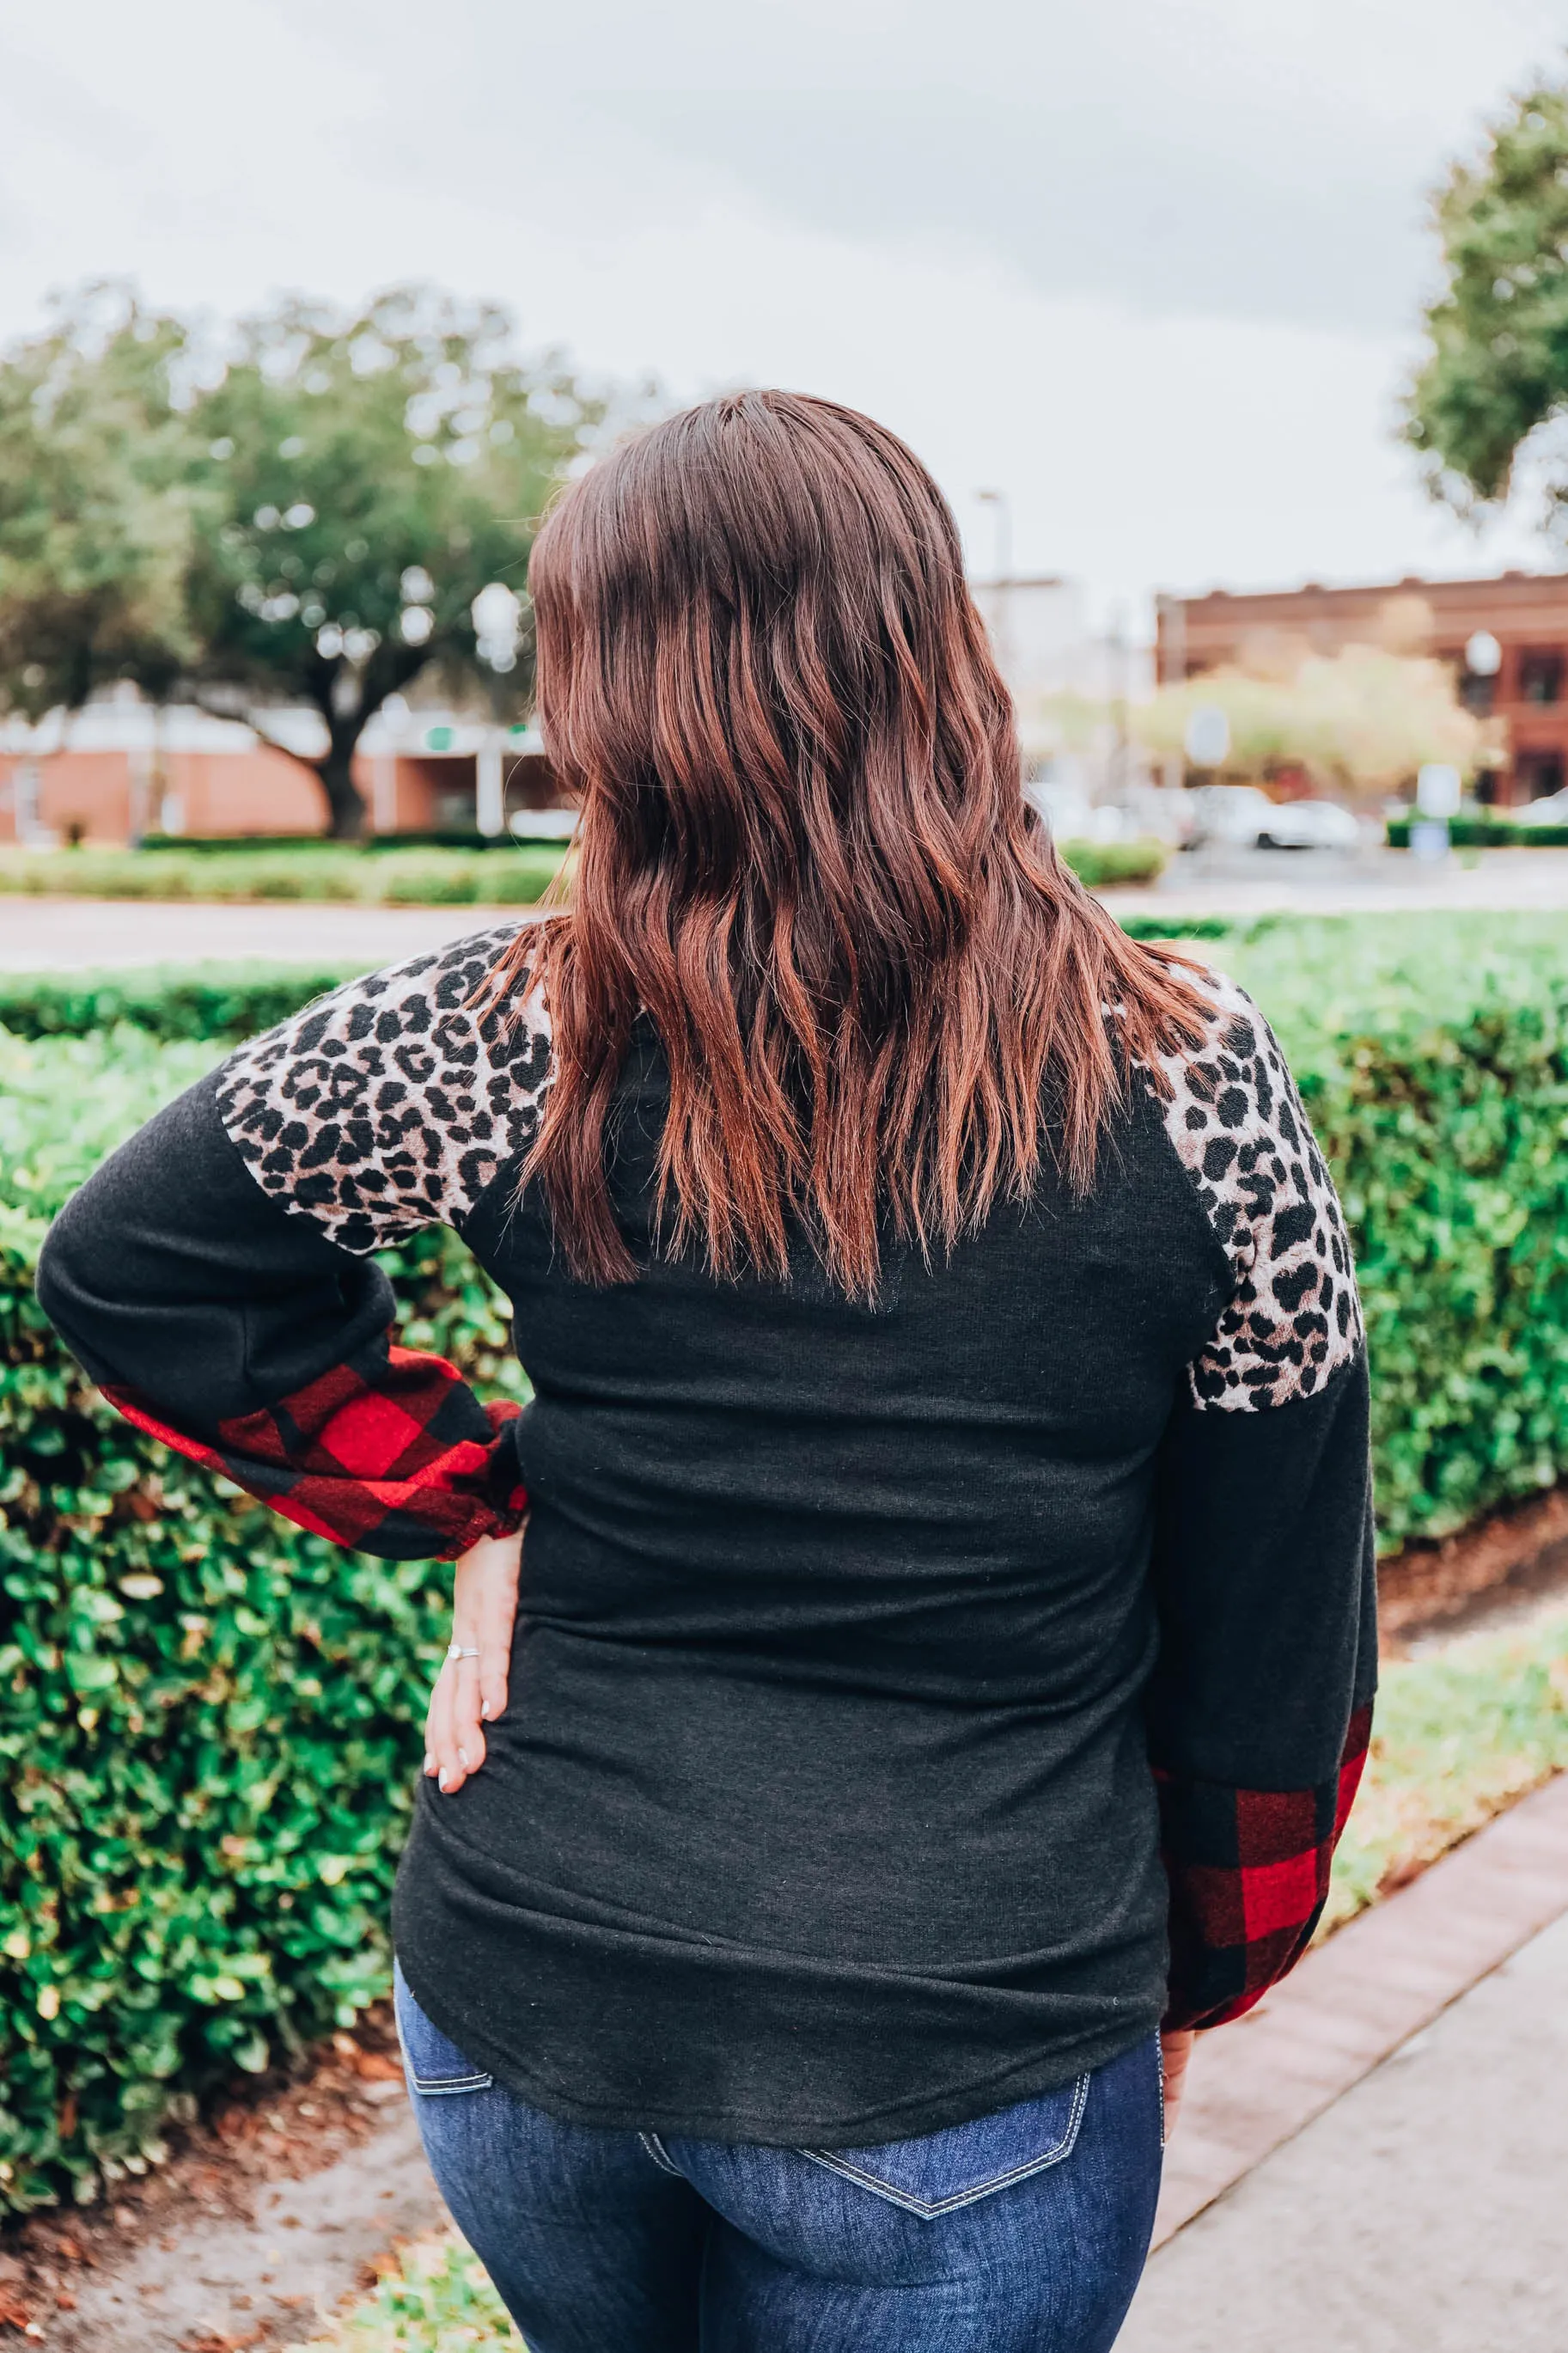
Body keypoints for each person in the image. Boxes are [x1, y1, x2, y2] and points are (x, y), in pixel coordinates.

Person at [37, 391, 1376, 2353]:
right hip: (960, 2039)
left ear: (604, 694)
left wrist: (465, 1485)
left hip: (523, 2008)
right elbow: (1275, 1630)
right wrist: (1188, 1983)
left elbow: (133, 1271)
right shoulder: (1184, 1068)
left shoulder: (511, 1027)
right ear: (937, 651)